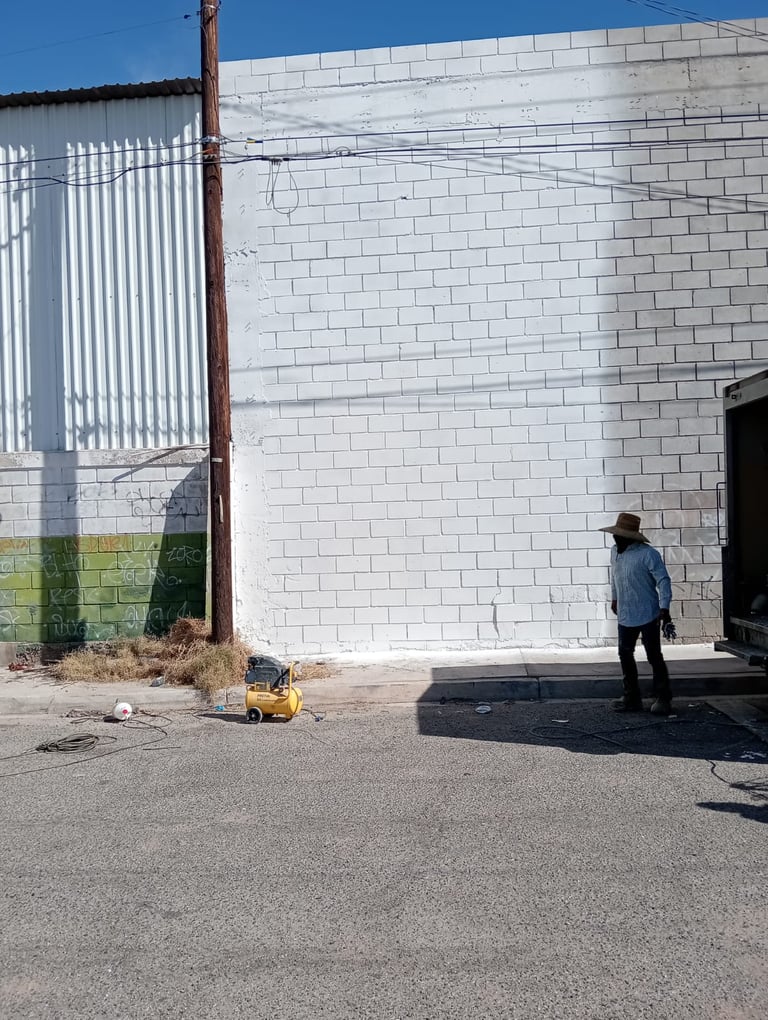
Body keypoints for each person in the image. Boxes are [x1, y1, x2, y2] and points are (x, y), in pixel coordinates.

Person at [599, 513, 673, 716]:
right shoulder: (615, 552)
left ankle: (663, 697)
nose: (616, 539)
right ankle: (632, 697)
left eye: (620, 536)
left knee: (653, 656)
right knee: (625, 653)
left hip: (647, 612)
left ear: (631, 538)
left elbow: (663, 580)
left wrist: (664, 608)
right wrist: (615, 598)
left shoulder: (648, 554)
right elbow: (614, 577)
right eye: (615, 535)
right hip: (625, 612)